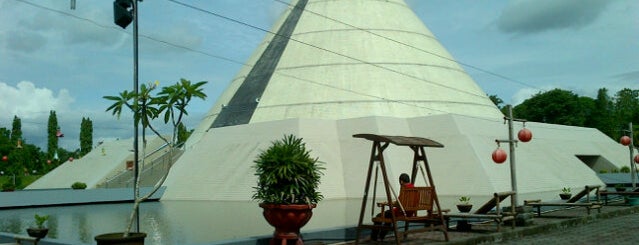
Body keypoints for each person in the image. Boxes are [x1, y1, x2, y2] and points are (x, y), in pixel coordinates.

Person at [370, 173, 414, 241]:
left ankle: (374, 238)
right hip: (410, 212)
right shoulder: (413, 188)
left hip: (400, 213)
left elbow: (398, 204)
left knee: (378, 216)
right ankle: (381, 236)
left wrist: (386, 203)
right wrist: (392, 203)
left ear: (401, 181)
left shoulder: (405, 189)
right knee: (389, 217)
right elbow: (400, 202)